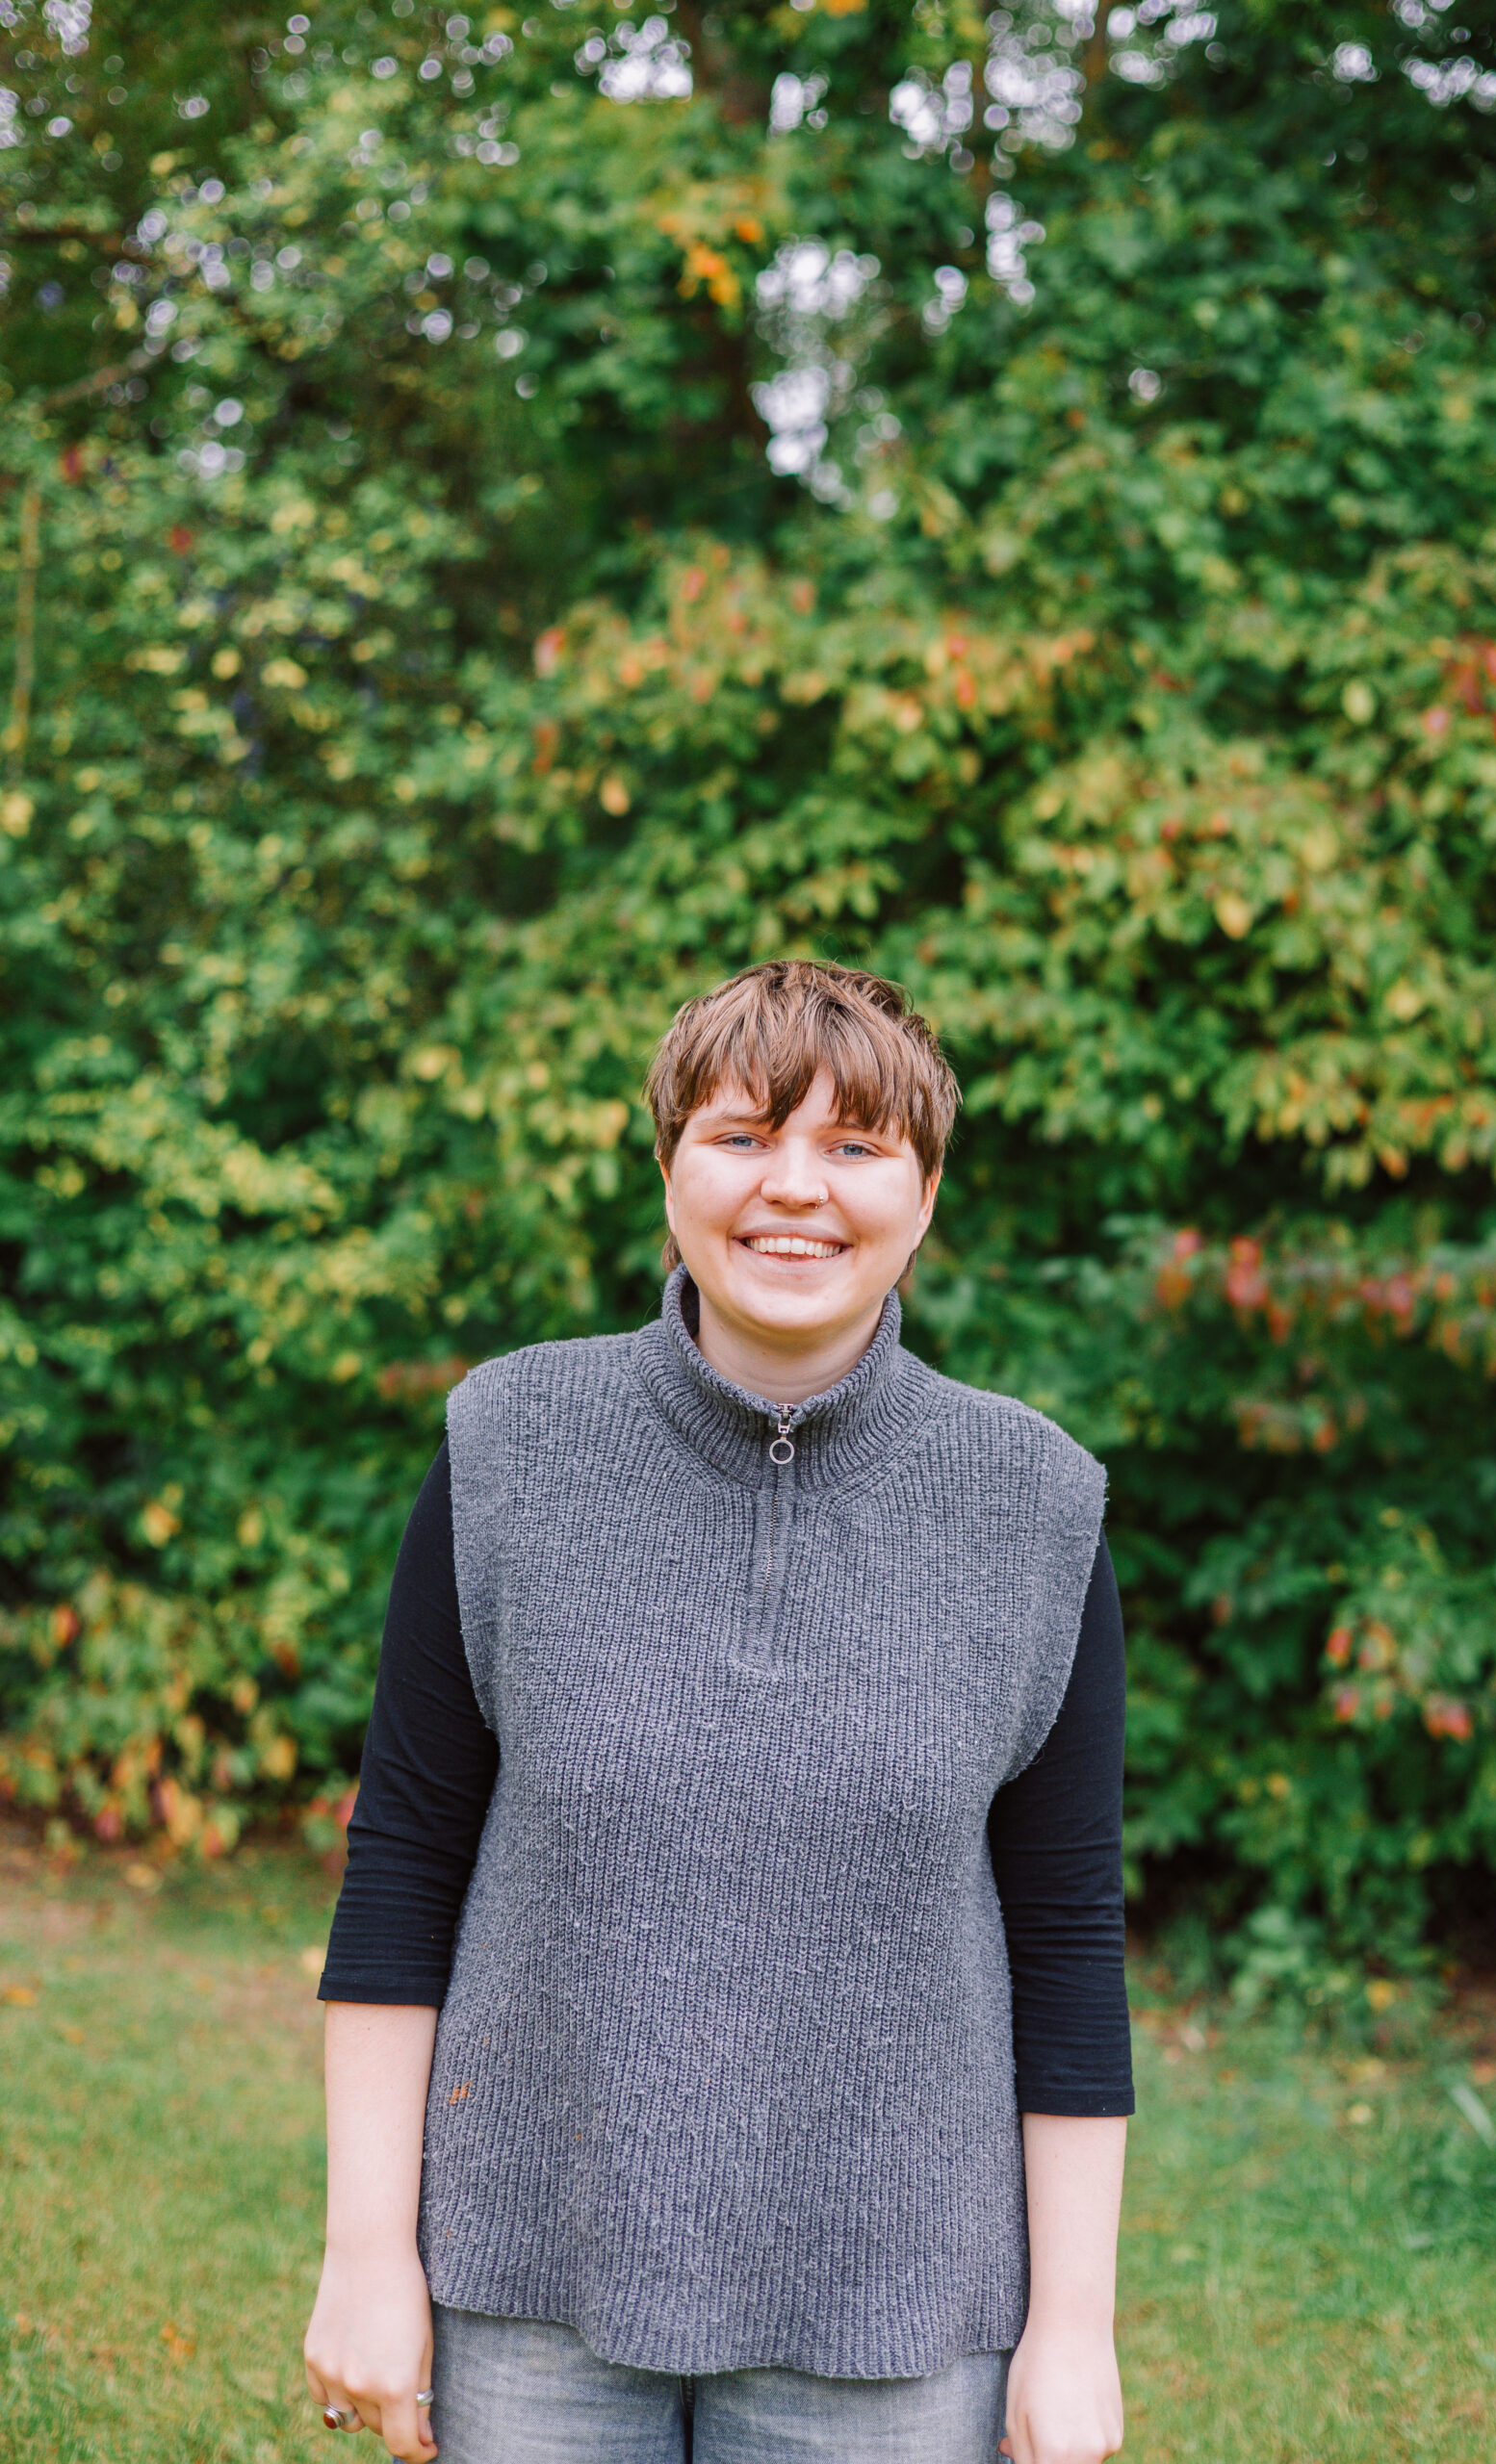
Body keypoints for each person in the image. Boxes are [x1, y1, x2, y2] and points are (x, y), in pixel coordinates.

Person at [304, 960, 1132, 2464]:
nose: (793, 1187)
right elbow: (405, 1863)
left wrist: (1074, 2328)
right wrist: (366, 2254)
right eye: (742, 1135)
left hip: (896, 2325)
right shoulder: (509, 1446)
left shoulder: (1035, 1504)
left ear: (926, 1195)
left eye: (856, 1145)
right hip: (531, 2295)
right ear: (670, 1166)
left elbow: (1067, 1934)